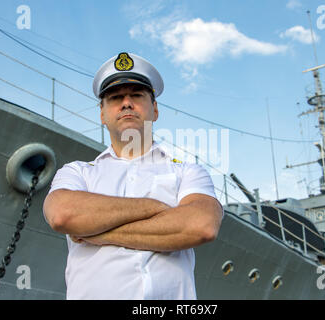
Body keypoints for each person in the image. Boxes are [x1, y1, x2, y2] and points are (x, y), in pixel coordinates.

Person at [43, 52, 223, 300]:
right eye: (115, 97)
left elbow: (201, 226)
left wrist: (96, 233)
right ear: (102, 115)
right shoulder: (77, 172)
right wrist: (156, 208)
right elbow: (62, 214)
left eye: (136, 95)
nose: (126, 103)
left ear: (155, 109)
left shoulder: (188, 172)